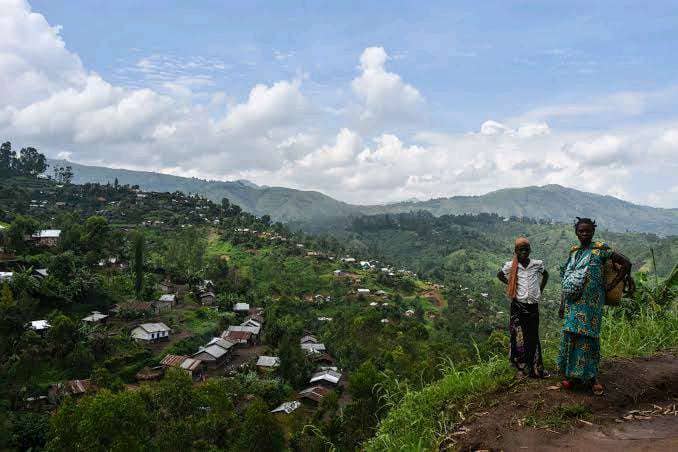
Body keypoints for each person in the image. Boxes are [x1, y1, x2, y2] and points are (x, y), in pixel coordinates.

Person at [558, 217, 634, 395]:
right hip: (573, 303)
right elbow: (566, 279)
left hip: (592, 304)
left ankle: (591, 378)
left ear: (593, 232)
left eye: (588, 231)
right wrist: (562, 304)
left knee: (589, 338)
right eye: (581, 231)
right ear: (576, 232)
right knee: (573, 336)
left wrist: (612, 285)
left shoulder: (601, 250)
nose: (584, 234)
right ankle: (572, 376)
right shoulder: (574, 252)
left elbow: (626, 263)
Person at [497, 237, 549, 378]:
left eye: (526, 249)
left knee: (532, 337)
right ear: (516, 251)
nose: (524, 252)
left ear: (530, 250)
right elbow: (500, 275)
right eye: (521, 250)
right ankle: (521, 368)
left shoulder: (537, 264)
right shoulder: (510, 266)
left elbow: (546, 275)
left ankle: (535, 366)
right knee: (519, 336)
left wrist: (540, 289)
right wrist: (511, 284)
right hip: (518, 305)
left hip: (532, 306)